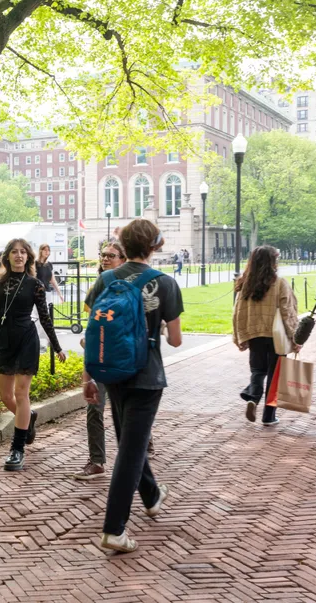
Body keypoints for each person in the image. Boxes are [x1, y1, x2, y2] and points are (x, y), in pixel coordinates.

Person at [83, 219, 183, 553]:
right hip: (146, 375)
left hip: (112, 372)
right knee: (130, 451)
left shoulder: (106, 278)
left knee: (129, 441)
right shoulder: (164, 283)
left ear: (123, 246)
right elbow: (177, 339)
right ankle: (114, 529)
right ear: (153, 247)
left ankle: (152, 495)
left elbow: (92, 331)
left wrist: (89, 378)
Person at [0, 238, 67, 472]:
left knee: (21, 392)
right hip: (5, 340)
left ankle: (17, 448)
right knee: (5, 396)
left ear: (28, 257)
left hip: (27, 340)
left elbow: (45, 318)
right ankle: (28, 418)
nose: (19, 255)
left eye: (23, 252)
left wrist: (57, 347)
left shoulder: (35, 284)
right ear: (7, 256)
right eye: (14, 252)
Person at [72, 240, 126, 480]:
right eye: (103, 255)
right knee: (94, 408)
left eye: (111, 255)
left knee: (126, 408)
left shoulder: (129, 286)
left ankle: (143, 444)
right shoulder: (98, 285)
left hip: (123, 358)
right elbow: (93, 321)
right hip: (99, 356)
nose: (105, 259)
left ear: (122, 260)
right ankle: (97, 461)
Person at [232, 246, 301, 426]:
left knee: (257, 370)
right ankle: (269, 416)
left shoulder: (244, 283)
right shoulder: (279, 283)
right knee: (275, 375)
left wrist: (239, 336)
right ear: (273, 262)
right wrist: (295, 337)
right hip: (277, 335)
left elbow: (236, 312)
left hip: (254, 333)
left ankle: (253, 397)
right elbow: (288, 312)